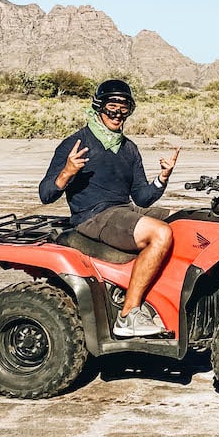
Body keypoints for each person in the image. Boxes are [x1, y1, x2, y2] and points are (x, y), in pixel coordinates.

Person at [39, 79, 180, 338]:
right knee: (160, 234)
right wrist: (67, 173)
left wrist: (162, 177)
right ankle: (128, 315)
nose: (117, 114)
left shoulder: (128, 149)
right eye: (111, 106)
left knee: (183, 224)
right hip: (92, 216)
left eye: (123, 107)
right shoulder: (76, 144)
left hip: (123, 210)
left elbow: (142, 198)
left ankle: (164, 301)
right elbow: (45, 194)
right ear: (98, 107)